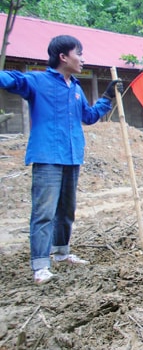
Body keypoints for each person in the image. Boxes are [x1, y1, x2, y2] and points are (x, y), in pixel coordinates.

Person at [0, 35, 122, 284]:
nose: (83, 59)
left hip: (72, 156)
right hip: (47, 156)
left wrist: (107, 98)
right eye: (79, 53)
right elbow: (9, 80)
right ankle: (40, 266)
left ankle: (62, 253)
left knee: (66, 211)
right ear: (63, 57)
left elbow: (88, 117)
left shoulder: (76, 88)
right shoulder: (37, 81)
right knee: (44, 212)